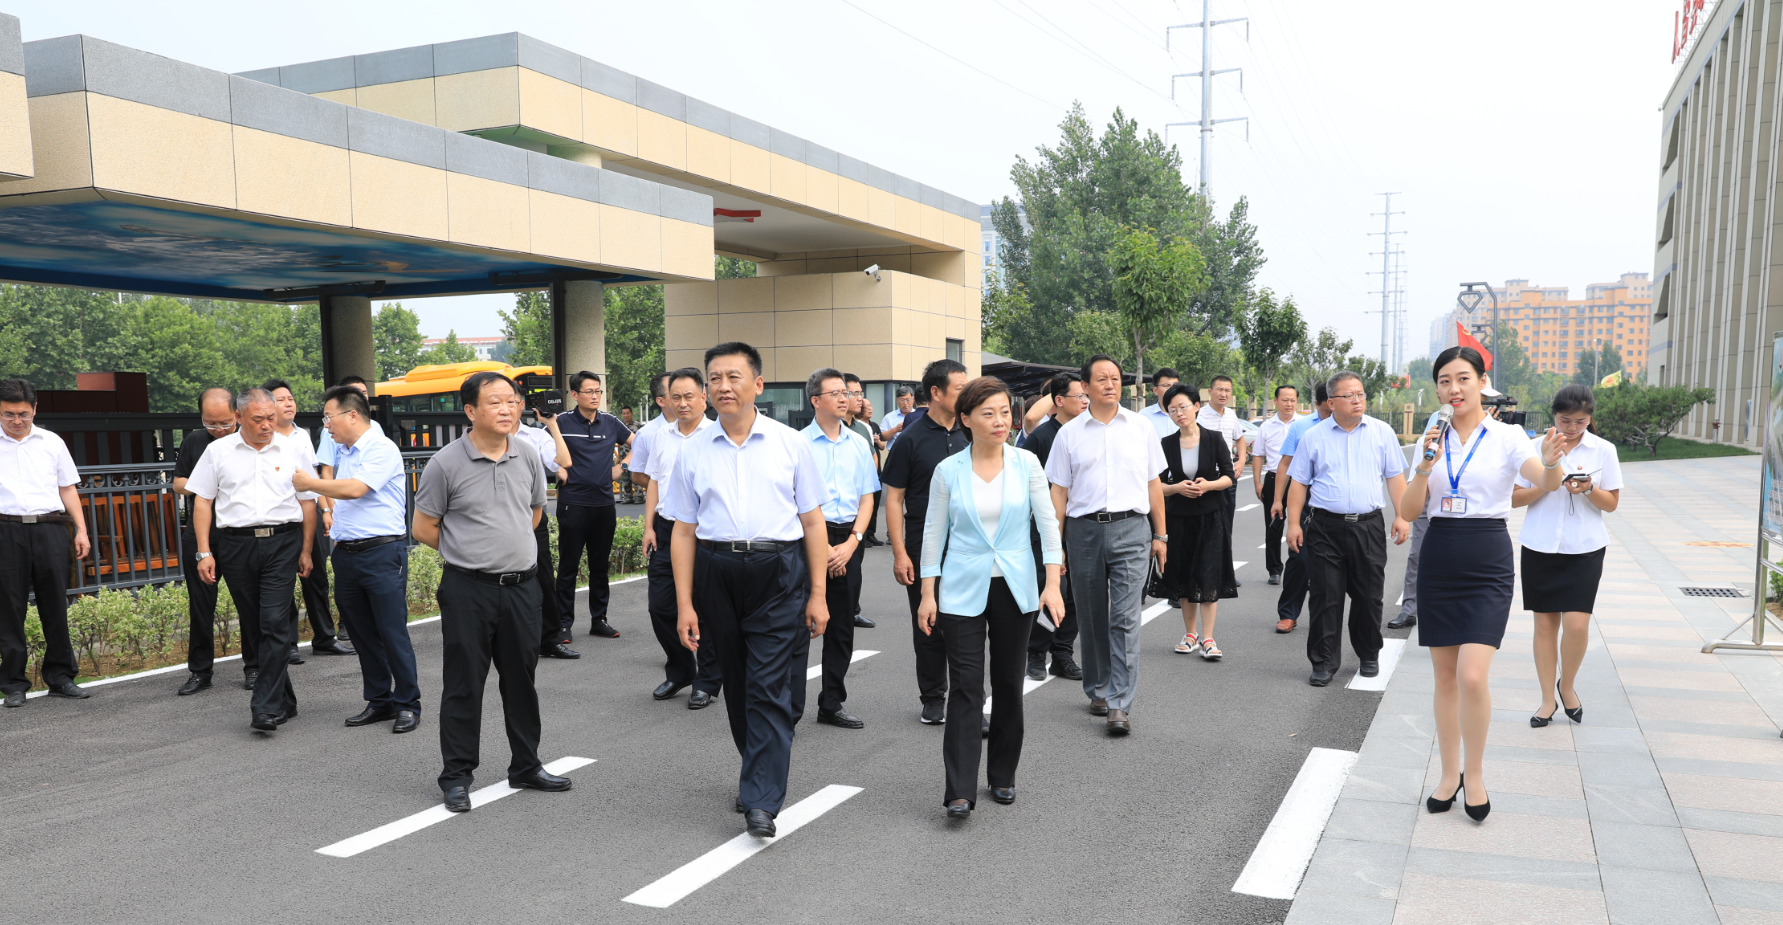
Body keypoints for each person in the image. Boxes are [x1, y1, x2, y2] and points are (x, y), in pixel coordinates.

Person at [668, 342, 830, 839]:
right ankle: (756, 768)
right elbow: (683, 530)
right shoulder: (692, 449)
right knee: (736, 686)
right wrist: (685, 604)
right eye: (714, 378)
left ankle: (761, 799)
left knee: (767, 686)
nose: (723, 387)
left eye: (734, 377)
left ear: (757, 384)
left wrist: (819, 592)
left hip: (777, 571)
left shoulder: (789, 443)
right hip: (717, 570)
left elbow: (812, 520)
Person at [1397, 346, 1566, 822]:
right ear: (1437, 389)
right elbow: (1409, 511)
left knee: (1473, 675)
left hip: (1487, 559)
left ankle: (1475, 774)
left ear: (1481, 382)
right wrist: (1427, 464)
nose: (1454, 388)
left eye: (1463, 378)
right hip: (1440, 557)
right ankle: (1448, 775)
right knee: (1445, 677)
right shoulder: (1432, 439)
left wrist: (1550, 461)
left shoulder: (1508, 436)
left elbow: (1546, 484)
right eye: (1445, 381)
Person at [412, 371, 571, 813]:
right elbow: (423, 527)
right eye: (496, 402)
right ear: (470, 411)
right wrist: (470, 550)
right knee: (465, 685)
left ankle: (526, 764)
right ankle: (457, 775)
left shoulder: (527, 454)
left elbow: (534, 514)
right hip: (468, 589)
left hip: (522, 587)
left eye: (512, 401)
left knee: (522, 681)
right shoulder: (446, 463)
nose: (507, 409)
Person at [918, 377, 1064, 818]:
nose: (1000, 421)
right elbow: (933, 534)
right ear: (966, 419)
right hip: (961, 588)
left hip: (1015, 585)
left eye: (1005, 412)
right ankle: (959, 789)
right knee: (965, 688)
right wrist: (928, 593)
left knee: (1007, 685)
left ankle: (1002, 775)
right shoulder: (948, 470)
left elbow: (1048, 526)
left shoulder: (1026, 464)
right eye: (989, 413)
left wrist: (1052, 583)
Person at [1045, 355, 1168, 736]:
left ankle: (1119, 703)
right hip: (1083, 532)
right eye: (1101, 379)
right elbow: (1059, 493)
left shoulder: (1142, 428)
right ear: (1085, 386)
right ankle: (1098, 688)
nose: (1110, 384)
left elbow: (1153, 485)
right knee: (1092, 614)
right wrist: (1056, 546)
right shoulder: (1069, 434)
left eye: (1115, 378)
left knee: (1125, 618)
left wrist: (1160, 535)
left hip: (1133, 529)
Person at [294, 385, 422, 734]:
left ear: (352, 415)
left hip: (382, 552)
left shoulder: (381, 448)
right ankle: (379, 700)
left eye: (329, 417)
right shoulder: (342, 450)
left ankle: (408, 702)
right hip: (347, 553)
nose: (326, 426)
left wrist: (311, 484)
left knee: (391, 631)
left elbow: (355, 489)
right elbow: (339, 488)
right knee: (363, 634)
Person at [189, 388, 318, 731]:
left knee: (275, 622)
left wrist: (306, 550)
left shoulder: (293, 448)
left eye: (271, 418)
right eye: (258, 419)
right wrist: (204, 551)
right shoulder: (218, 452)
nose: (266, 425)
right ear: (239, 418)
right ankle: (285, 701)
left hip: (282, 543)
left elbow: (307, 502)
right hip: (236, 546)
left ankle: (263, 706)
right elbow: (202, 501)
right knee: (257, 624)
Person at [1285, 372, 1410, 687]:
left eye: (1361, 394)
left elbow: (1395, 477)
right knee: (1326, 597)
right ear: (1331, 402)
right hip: (1325, 526)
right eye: (1349, 395)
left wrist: (1402, 515)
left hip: (1368, 526)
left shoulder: (1382, 432)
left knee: (1369, 596)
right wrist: (1293, 523)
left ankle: (1368, 655)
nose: (1357, 400)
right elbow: (1298, 481)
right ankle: (1324, 662)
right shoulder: (1314, 436)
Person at [1513, 385, 1621, 727]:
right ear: (1553, 415)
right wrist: (1547, 479)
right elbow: (1514, 499)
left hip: (1585, 547)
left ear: (1590, 418)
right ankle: (1547, 699)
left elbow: (1612, 504)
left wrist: (1589, 488)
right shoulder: (1532, 448)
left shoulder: (1603, 450)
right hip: (1540, 544)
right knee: (1545, 625)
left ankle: (1567, 685)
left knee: (1576, 624)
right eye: (1565, 420)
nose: (1572, 428)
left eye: (1581, 421)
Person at [881, 359, 970, 725]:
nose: (968, 395)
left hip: (970, 545)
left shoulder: (972, 433)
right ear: (936, 392)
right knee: (929, 624)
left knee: (968, 626)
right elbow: (894, 499)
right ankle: (933, 698)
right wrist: (900, 554)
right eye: (960, 389)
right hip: (923, 545)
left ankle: (967, 703)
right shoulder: (910, 439)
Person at [0, 378, 92, 708]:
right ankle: (13, 683)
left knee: (55, 603)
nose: (16, 421)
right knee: (9, 607)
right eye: (9, 414)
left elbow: (68, 488)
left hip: (50, 528)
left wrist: (81, 530)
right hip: (6, 530)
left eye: (23, 414)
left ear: (34, 409)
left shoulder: (51, 442)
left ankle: (61, 676)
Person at [800, 368, 880, 729]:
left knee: (842, 627)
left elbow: (868, 498)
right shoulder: (797, 444)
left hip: (849, 538)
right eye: (835, 393)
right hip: (807, 538)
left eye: (846, 392)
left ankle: (831, 703)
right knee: (799, 624)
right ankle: (788, 709)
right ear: (815, 400)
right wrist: (823, 547)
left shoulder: (859, 443)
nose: (845, 397)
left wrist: (851, 543)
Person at [642, 368, 717, 705]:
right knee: (660, 606)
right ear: (667, 400)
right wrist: (648, 526)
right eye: (676, 397)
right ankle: (680, 670)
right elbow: (654, 482)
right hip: (667, 528)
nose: (683, 404)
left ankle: (708, 680)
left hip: (704, 533)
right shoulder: (662, 435)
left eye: (689, 396)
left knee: (706, 608)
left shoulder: (717, 436)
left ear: (704, 396)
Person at [263, 378, 350, 660]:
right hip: (281, 520)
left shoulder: (302, 436)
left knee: (317, 578)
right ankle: (288, 645)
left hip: (308, 515)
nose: (288, 403)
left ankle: (325, 637)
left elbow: (313, 479)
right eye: (281, 399)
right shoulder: (263, 438)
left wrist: (326, 510)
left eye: (290, 398)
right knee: (284, 582)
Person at [1158, 383, 1237, 660]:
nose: (1179, 413)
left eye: (1183, 407)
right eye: (1172, 410)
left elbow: (1229, 476)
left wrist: (1211, 485)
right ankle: (1190, 633)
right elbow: (1154, 486)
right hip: (1178, 518)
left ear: (1196, 406)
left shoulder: (1214, 439)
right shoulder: (1166, 444)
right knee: (1183, 575)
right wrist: (1177, 488)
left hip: (1211, 517)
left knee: (1208, 574)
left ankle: (1208, 638)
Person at [171, 388, 243, 695]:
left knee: (249, 605)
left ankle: (254, 668)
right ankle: (200, 672)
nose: (219, 430)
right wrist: (209, 484)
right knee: (200, 607)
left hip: (238, 537)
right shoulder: (195, 441)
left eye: (225, 423)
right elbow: (178, 484)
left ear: (237, 414)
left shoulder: (249, 442)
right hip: (200, 538)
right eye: (211, 423)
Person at [554, 371, 633, 641]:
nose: (595, 395)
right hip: (572, 503)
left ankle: (599, 620)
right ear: (575, 395)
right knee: (568, 566)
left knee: (600, 566)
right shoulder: (561, 422)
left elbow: (641, 444)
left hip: (603, 504)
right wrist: (556, 468)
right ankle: (563, 624)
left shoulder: (610, 422)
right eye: (589, 391)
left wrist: (622, 466)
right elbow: (539, 448)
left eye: (598, 391)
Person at [1017, 372, 1084, 683]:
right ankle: (1036, 652)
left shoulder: (1088, 432)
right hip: (1045, 527)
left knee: (1077, 595)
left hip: (1082, 525)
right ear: (1059, 401)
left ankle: (1062, 653)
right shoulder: (1041, 437)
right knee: (1051, 588)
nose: (1085, 401)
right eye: (1078, 396)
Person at [512, 404, 574, 659]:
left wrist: (552, 424)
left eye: (512, 402)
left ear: (522, 405)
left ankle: (549, 639)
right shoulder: (479, 439)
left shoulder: (535, 436)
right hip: (495, 520)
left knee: (543, 577)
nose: (506, 408)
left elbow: (564, 462)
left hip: (532, 515)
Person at [1271, 382, 1332, 634]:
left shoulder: (1355, 426)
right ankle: (1288, 613)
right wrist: (1278, 500)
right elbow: (1285, 465)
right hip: (1305, 500)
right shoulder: (1301, 427)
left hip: (1336, 503)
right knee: (1299, 558)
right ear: (1323, 403)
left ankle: (1328, 617)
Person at [1197, 375, 1249, 588]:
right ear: (1209, 392)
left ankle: (1224, 573)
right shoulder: (1198, 415)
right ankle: (1201, 573)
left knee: (1226, 525)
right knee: (1202, 526)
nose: (1223, 394)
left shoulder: (1231, 415)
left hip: (1227, 477)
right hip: (1204, 476)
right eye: (1219, 389)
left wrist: (1242, 459)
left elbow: (1240, 438)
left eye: (1227, 390)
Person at [1253, 385, 1298, 585]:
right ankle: (1274, 569)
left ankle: (1300, 567)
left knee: (1302, 525)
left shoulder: (1304, 424)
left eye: (1293, 400)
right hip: (1272, 480)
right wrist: (1257, 482)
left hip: (1299, 480)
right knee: (1273, 526)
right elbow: (1257, 455)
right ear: (1276, 401)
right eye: (1285, 400)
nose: (1289, 404)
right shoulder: (1266, 426)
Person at [845, 374, 886, 555]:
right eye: (853, 393)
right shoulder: (827, 428)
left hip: (859, 505)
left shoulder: (862, 428)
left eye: (860, 393)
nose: (860, 398)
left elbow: (872, 457)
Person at [1138, 367, 1181, 438]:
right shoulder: (1144, 416)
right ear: (1155, 390)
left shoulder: (1189, 414)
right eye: (1166, 385)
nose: (1172, 389)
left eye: (1175, 385)